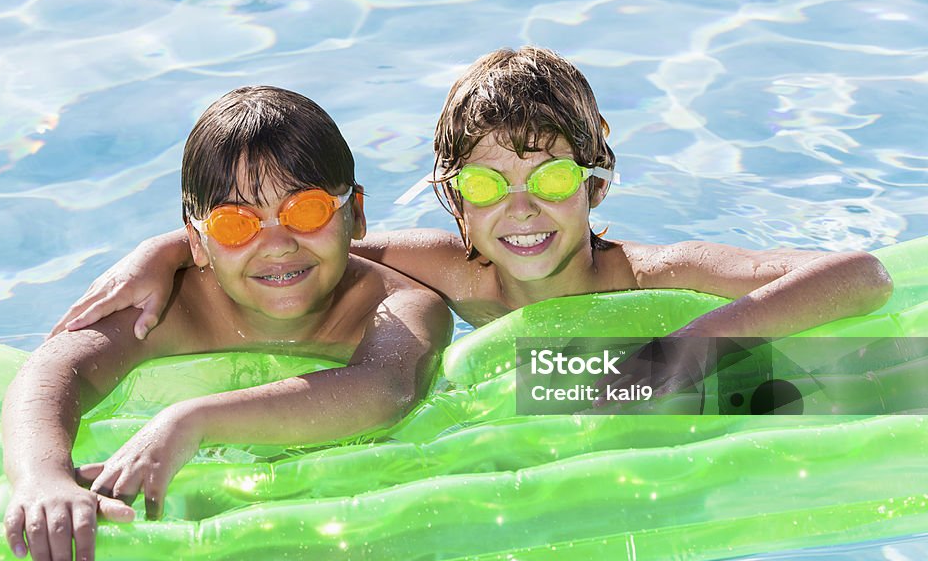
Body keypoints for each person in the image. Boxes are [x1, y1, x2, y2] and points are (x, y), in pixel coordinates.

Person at [52, 46, 892, 393]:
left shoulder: (646, 272)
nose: (520, 209)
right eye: (487, 187)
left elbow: (861, 275)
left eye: (549, 176)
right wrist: (164, 249)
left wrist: (692, 347)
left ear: (596, 185)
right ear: (452, 200)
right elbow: (296, 241)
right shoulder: (454, 269)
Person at [3, 86, 452, 561]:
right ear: (197, 241)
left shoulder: (399, 306)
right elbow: (53, 369)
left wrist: (191, 419)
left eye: (306, 211)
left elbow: (385, 389)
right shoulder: (171, 308)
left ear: (358, 214)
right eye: (236, 225)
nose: (278, 244)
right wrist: (43, 476)